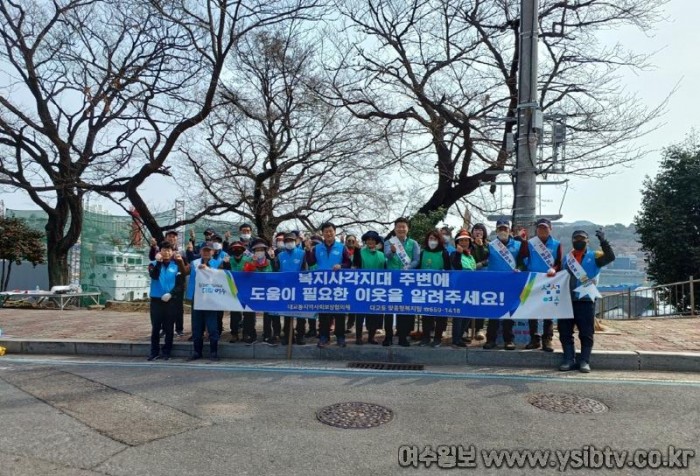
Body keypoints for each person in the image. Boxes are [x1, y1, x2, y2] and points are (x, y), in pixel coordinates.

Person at [559, 229, 615, 373]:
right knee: (565, 332)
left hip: (586, 300)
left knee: (586, 332)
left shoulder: (594, 256)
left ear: (587, 241)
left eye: (582, 238)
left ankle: (584, 360)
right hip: (566, 300)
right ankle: (568, 359)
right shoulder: (567, 258)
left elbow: (610, 257)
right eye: (576, 238)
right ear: (572, 240)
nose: (579, 240)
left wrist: (604, 242)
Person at [305, 222, 352, 347]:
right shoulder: (317, 248)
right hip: (323, 286)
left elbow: (348, 263)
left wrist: (341, 266)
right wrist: (308, 250)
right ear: (322, 233)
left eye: (331, 231)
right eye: (326, 231)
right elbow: (310, 262)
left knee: (339, 312)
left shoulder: (342, 247)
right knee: (324, 312)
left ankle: (340, 336)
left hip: (338, 286)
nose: (328, 233)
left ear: (335, 232)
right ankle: (324, 336)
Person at [521, 218, 562, 352]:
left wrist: (554, 269)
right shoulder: (530, 243)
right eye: (540, 228)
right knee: (532, 310)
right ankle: (534, 338)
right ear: (536, 230)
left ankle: (547, 339)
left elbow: (559, 262)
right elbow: (523, 259)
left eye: (545, 228)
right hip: (532, 280)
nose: (542, 230)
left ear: (550, 229)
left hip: (549, 281)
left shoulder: (556, 244)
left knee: (548, 311)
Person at [483, 220, 525, 350]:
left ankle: (509, 340)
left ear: (510, 231)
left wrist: (519, 268)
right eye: (500, 229)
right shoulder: (490, 245)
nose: (503, 231)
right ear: (496, 231)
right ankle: (491, 340)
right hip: (494, 283)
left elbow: (522, 262)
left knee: (509, 313)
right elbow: (481, 257)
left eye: (505, 229)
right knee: (493, 312)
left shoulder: (518, 245)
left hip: (511, 283)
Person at [383, 217, 421, 347]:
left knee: (404, 308)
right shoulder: (389, 242)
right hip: (391, 279)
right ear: (395, 228)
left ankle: (403, 337)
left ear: (407, 228)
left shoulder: (413, 243)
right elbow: (386, 256)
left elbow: (416, 260)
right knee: (389, 309)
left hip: (406, 280)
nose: (401, 229)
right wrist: (392, 252)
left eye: (403, 226)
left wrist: (408, 268)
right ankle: (388, 336)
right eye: (398, 226)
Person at [147, 241, 187, 361]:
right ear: (160, 251)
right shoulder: (152, 264)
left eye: (169, 250)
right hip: (156, 301)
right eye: (164, 250)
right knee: (155, 328)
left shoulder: (176, 266)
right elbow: (154, 276)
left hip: (170, 301)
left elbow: (180, 285)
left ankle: (166, 352)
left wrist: (171, 294)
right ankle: (154, 352)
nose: (167, 252)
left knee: (169, 328)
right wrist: (158, 262)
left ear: (173, 252)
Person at [186, 242, 224, 361]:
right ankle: (197, 352)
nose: (206, 252)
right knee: (197, 328)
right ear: (200, 251)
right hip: (197, 299)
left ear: (213, 252)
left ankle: (214, 352)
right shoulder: (194, 263)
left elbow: (222, 277)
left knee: (212, 327)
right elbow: (184, 271)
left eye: (209, 250)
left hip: (211, 299)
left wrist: (209, 270)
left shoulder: (218, 264)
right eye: (204, 250)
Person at [417, 230, 452, 347]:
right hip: (425, 289)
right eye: (430, 239)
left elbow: (448, 270)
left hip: (440, 290)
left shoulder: (444, 253)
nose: (433, 241)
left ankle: (438, 337)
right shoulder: (422, 253)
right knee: (426, 315)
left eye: (435, 239)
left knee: (441, 315)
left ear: (439, 240)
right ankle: (425, 337)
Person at [352, 230, 387, 345]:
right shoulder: (360, 252)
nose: (371, 241)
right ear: (365, 241)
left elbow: (386, 271)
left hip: (377, 289)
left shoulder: (382, 255)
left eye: (373, 239)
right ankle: (358, 337)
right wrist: (356, 250)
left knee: (374, 313)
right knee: (360, 313)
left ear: (376, 241)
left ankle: (371, 337)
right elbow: (356, 265)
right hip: (362, 288)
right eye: (368, 239)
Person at [276, 232, 309, 345]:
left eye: (291, 241)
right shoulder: (280, 256)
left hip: (299, 287)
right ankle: (287, 335)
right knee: (286, 313)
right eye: (287, 241)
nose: (289, 243)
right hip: (285, 289)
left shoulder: (302, 253)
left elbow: (305, 270)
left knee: (300, 313)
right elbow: (277, 272)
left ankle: (300, 335)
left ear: (296, 241)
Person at [244, 239, 278, 345]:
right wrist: (252, 263)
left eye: (261, 249)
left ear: (265, 251)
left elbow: (276, 273)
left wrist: (272, 259)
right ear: (253, 251)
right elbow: (245, 274)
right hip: (253, 292)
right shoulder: (249, 262)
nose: (259, 251)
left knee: (268, 314)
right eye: (257, 250)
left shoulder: (270, 262)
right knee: (249, 313)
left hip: (268, 292)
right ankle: (251, 335)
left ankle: (267, 335)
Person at [223, 241, 254, 343]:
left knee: (248, 313)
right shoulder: (228, 260)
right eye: (234, 249)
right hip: (233, 290)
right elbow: (220, 273)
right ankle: (234, 333)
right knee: (234, 313)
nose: (237, 251)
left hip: (247, 290)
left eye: (239, 249)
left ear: (243, 250)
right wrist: (225, 264)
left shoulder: (248, 260)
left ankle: (247, 333)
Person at [449, 229, 476, 348]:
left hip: (470, 286)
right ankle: (456, 339)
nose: (464, 242)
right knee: (459, 314)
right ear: (457, 242)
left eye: (466, 240)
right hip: (459, 287)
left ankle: (460, 336)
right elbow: (457, 266)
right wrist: (459, 253)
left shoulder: (470, 255)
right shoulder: (454, 254)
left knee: (468, 313)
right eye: (462, 240)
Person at [469, 223, 489, 341]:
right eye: (476, 230)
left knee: (481, 302)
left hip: (483, 277)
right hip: (469, 277)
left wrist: (480, 264)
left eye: (481, 230)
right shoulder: (468, 243)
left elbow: (488, 258)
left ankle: (479, 329)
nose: (478, 232)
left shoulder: (488, 244)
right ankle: (465, 330)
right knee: (469, 301)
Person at [344, 234, 360, 336]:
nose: (350, 243)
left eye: (352, 241)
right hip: (343, 282)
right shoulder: (342, 251)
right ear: (346, 242)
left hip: (356, 282)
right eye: (349, 241)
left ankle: (350, 325)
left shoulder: (359, 252)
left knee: (353, 305)